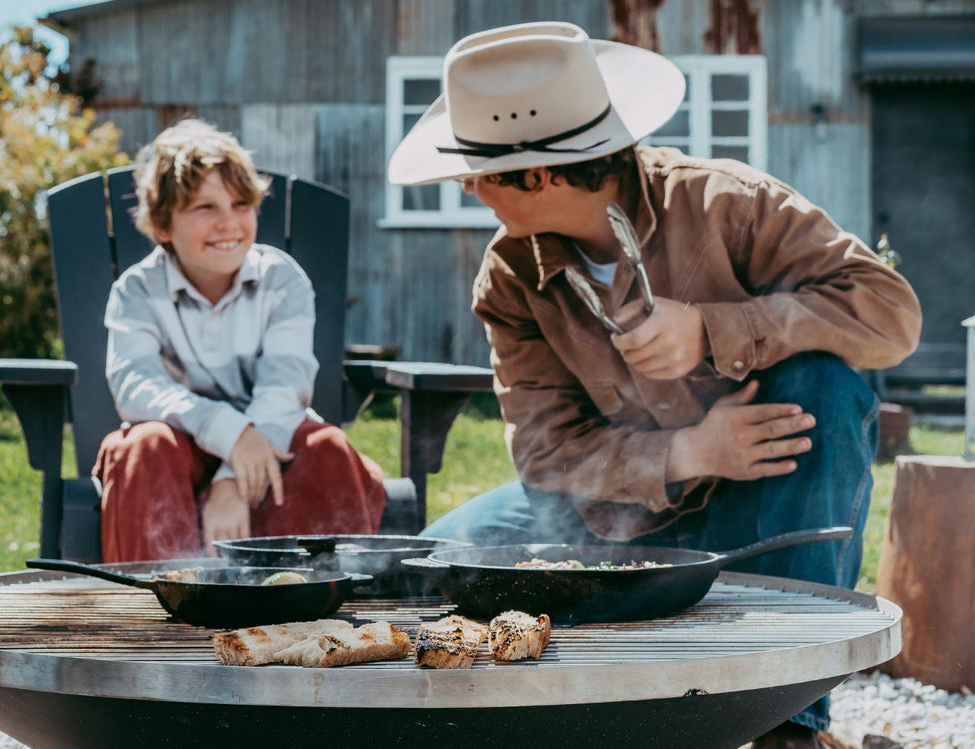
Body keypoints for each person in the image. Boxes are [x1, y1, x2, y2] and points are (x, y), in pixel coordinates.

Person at [388, 22, 921, 749]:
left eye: (477, 173)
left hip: (762, 507)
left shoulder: (727, 203)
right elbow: (545, 455)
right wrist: (688, 451)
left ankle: (789, 726)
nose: (469, 189)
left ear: (536, 175)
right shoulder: (510, 275)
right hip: (612, 516)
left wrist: (713, 329)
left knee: (823, 385)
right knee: (423, 566)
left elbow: (890, 315)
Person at [94, 119, 385, 563]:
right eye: (204, 207)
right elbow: (137, 385)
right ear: (163, 225)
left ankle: (307, 595)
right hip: (178, 449)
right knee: (143, 447)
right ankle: (157, 595)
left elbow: (286, 385)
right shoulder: (137, 291)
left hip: (269, 438)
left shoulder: (281, 280)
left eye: (240, 204)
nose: (228, 222)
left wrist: (232, 475)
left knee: (326, 448)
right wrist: (229, 434)